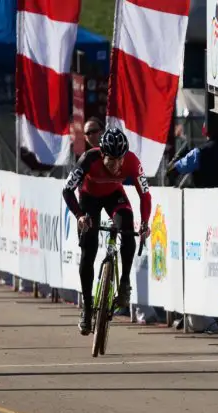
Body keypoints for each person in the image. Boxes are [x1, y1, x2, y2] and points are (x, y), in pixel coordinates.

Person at [62, 127, 152, 334]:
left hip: (114, 196)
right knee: (89, 248)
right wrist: (79, 216)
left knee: (128, 226)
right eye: (111, 160)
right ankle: (86, 307)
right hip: (89, 198)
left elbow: (145, 195)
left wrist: (145, 222)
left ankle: (124, 283)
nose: (117, 165)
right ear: (102, 154)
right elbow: (67, 189)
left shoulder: (132, 161)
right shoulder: (88, 159)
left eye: (120, 160)